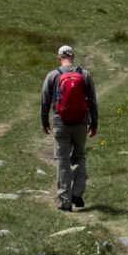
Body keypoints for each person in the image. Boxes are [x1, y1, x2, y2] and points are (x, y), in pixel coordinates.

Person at [40, 44, 99, 211]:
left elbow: (45, 101)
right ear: (73, 56)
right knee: (79, 157)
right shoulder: (84, 75)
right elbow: (92, 101)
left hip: (60, 124)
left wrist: (45, 122)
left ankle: (64, 201)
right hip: (81, 123)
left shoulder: (52, 75)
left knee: (62, 161)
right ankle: (77, 193)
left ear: (59, 57)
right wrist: (94, 123)